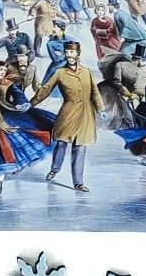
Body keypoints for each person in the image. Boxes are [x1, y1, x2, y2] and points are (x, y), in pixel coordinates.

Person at [0, 60, 54, 197]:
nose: (2, 73)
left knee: (15, 143)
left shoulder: (8, 84)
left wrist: (19, 104)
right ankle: (0, 182)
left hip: (9, 115)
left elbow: (19, 95)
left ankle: (17, 166)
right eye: (0, 70)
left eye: (4, 71)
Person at [31, 40, 103, 193]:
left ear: (78, 53)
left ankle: (78, 182)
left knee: (80, 147)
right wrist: (32, 103)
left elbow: (95, 92)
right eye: (67, 52)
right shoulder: (60, 73)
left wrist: (100, 108)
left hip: (85, 115)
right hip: (68, 113)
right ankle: (54, 169)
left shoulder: (86, 72)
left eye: (72, 52)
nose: (69, 55)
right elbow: (46, 89)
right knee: (61, 143)